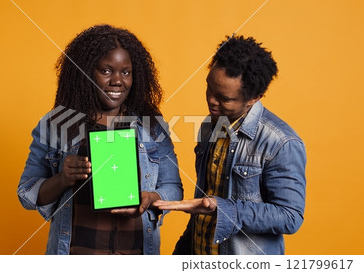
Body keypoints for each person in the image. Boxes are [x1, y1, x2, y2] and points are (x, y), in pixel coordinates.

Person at [18, 24, 183, 255]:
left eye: (125, 72)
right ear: (85, 72)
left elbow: (173, 188)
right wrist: (63, 179)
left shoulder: (151, 125)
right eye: (106, 71)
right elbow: (26, 194)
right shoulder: (56, 124)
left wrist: (151, 198)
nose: (117, 80)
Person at [154, 35, 306, 255]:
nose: (212, 101)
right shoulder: (210, 125)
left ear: (254, 97)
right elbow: (205, 198)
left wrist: (223, 209)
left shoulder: (281, 142)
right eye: (209, 89)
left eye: (224, 98)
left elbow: (290, 217)